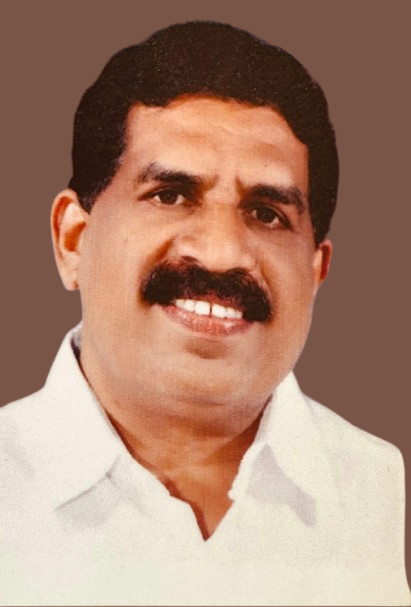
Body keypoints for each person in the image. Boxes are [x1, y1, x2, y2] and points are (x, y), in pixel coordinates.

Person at [0, 21, 409, 606]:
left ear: (315, 272)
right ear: (73, 241)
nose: (221, 252)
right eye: (169, 196)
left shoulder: (378, 490)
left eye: (266, 213)